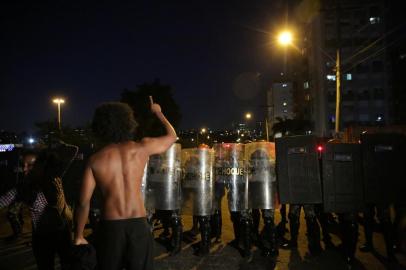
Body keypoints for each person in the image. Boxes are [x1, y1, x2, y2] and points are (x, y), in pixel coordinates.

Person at [73, 100, 177, 270]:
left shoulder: (95, 159)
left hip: (110, 227)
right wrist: (158, 112)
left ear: (101, 126)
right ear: (128, 122)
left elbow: (83, 203)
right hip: (138, 225)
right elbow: (172, 136)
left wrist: (78, 235)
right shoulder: (142, 147)